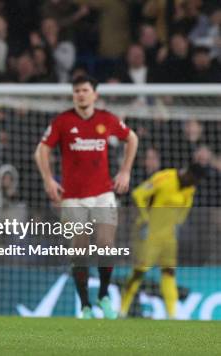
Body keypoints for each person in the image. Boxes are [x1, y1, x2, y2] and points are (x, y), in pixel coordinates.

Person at [34, 75, 138, 319]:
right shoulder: (62, 121)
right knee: (79, 251)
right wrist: (48, 179)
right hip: (72, 198)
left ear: (95, 94)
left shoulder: (106, 119)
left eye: (85, 90)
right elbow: (42, 150)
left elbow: (131, 138)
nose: (80, 94)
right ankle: (85, 305)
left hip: (103, 193)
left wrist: (125, 171)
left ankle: (103, 295)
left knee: (105, 245)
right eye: (77, 90)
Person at [120, 163, 206, 319]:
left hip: (168, 237)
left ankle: (173, 316)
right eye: (193, 181)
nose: (193, 185)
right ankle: (122, 310)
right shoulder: (164, 177)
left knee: (169, 272)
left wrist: (177, 224)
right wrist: (145, 219)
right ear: (188, 173)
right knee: (139, 272)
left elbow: (185, 209)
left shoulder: (189, 188)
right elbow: (138, 193)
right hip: (149, 234)